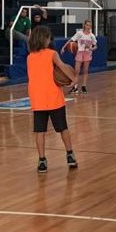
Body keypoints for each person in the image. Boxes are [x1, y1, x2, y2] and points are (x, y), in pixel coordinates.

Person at [27, 25, 78, 173]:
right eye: (48, 38)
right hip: (53, 97)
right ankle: (70, 154)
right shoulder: (52, 54)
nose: (50, 40)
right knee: (63, 128)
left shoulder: (29, 57)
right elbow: (62, 67)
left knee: (40, 131)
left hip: (37, 98)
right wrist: (74, 79)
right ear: (44, 39)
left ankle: (42, 160)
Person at [62, 19, 96, 94]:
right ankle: (75, 87)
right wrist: (63, 47)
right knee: (77, 70)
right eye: (87, 25)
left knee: (85, 70)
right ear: (84, 25)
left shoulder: (92, 36)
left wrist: (91, 48)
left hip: (87, 53)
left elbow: (95, 46)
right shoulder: (79, 33)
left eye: (90, 26)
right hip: (80, 52)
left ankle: (84, 86)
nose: (88, 27)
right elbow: (71, 40)